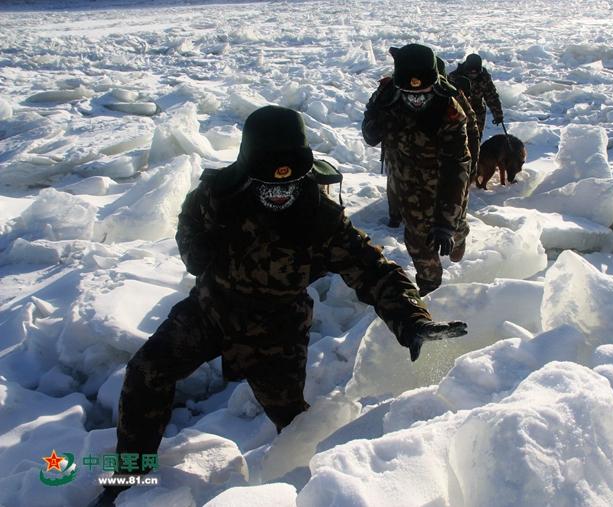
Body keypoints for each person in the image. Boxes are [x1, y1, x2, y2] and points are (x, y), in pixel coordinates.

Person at [89, 105, 467, 507]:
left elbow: (372, 268)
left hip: (276, 329)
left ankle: (313, 491)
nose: (280, 193)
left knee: (293, 424)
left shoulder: (318, 215)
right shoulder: (218, 195)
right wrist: (194, 251)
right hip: (211, 310)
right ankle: (129, 475)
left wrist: (411, 317)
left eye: (289, 183)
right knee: (146, 372)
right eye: (269, 185)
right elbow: (189, 222)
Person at [362, 43, 471, 296]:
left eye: (424, 92)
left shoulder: (449, 110)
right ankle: (431, 290)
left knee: (452, 228)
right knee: (418, 242)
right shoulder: (388, 98)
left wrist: (445, 222)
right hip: (407, 186)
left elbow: (457, 166)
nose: (417, 99)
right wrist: (375, 108)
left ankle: (459, 233)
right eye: (410, 93)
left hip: (443, 184)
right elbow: (370, 137)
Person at [448, 53, 503, 141]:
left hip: (477, 111)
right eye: (470, 73)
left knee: (475, 137)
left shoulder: (484, 78)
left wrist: (498, 114)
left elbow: (491, 96)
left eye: (475, 73)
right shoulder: (454, 77)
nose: (473, 75)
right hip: (458, 111)